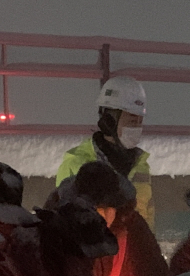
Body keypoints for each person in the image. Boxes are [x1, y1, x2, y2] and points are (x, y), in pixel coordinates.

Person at [52, 160, 167, 276]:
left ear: (118, 207)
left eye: (107, 207)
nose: (102, 216)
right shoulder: (57, 231)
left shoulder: (133, 229)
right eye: (95, 208)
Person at [56, 75, 154, 229]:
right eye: (131, 121)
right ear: (109, 121)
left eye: (139, 122)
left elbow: (147, 217)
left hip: (131, 250)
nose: (136, 128)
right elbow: (66, 221)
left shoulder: (140, 164)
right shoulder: (77, 162)